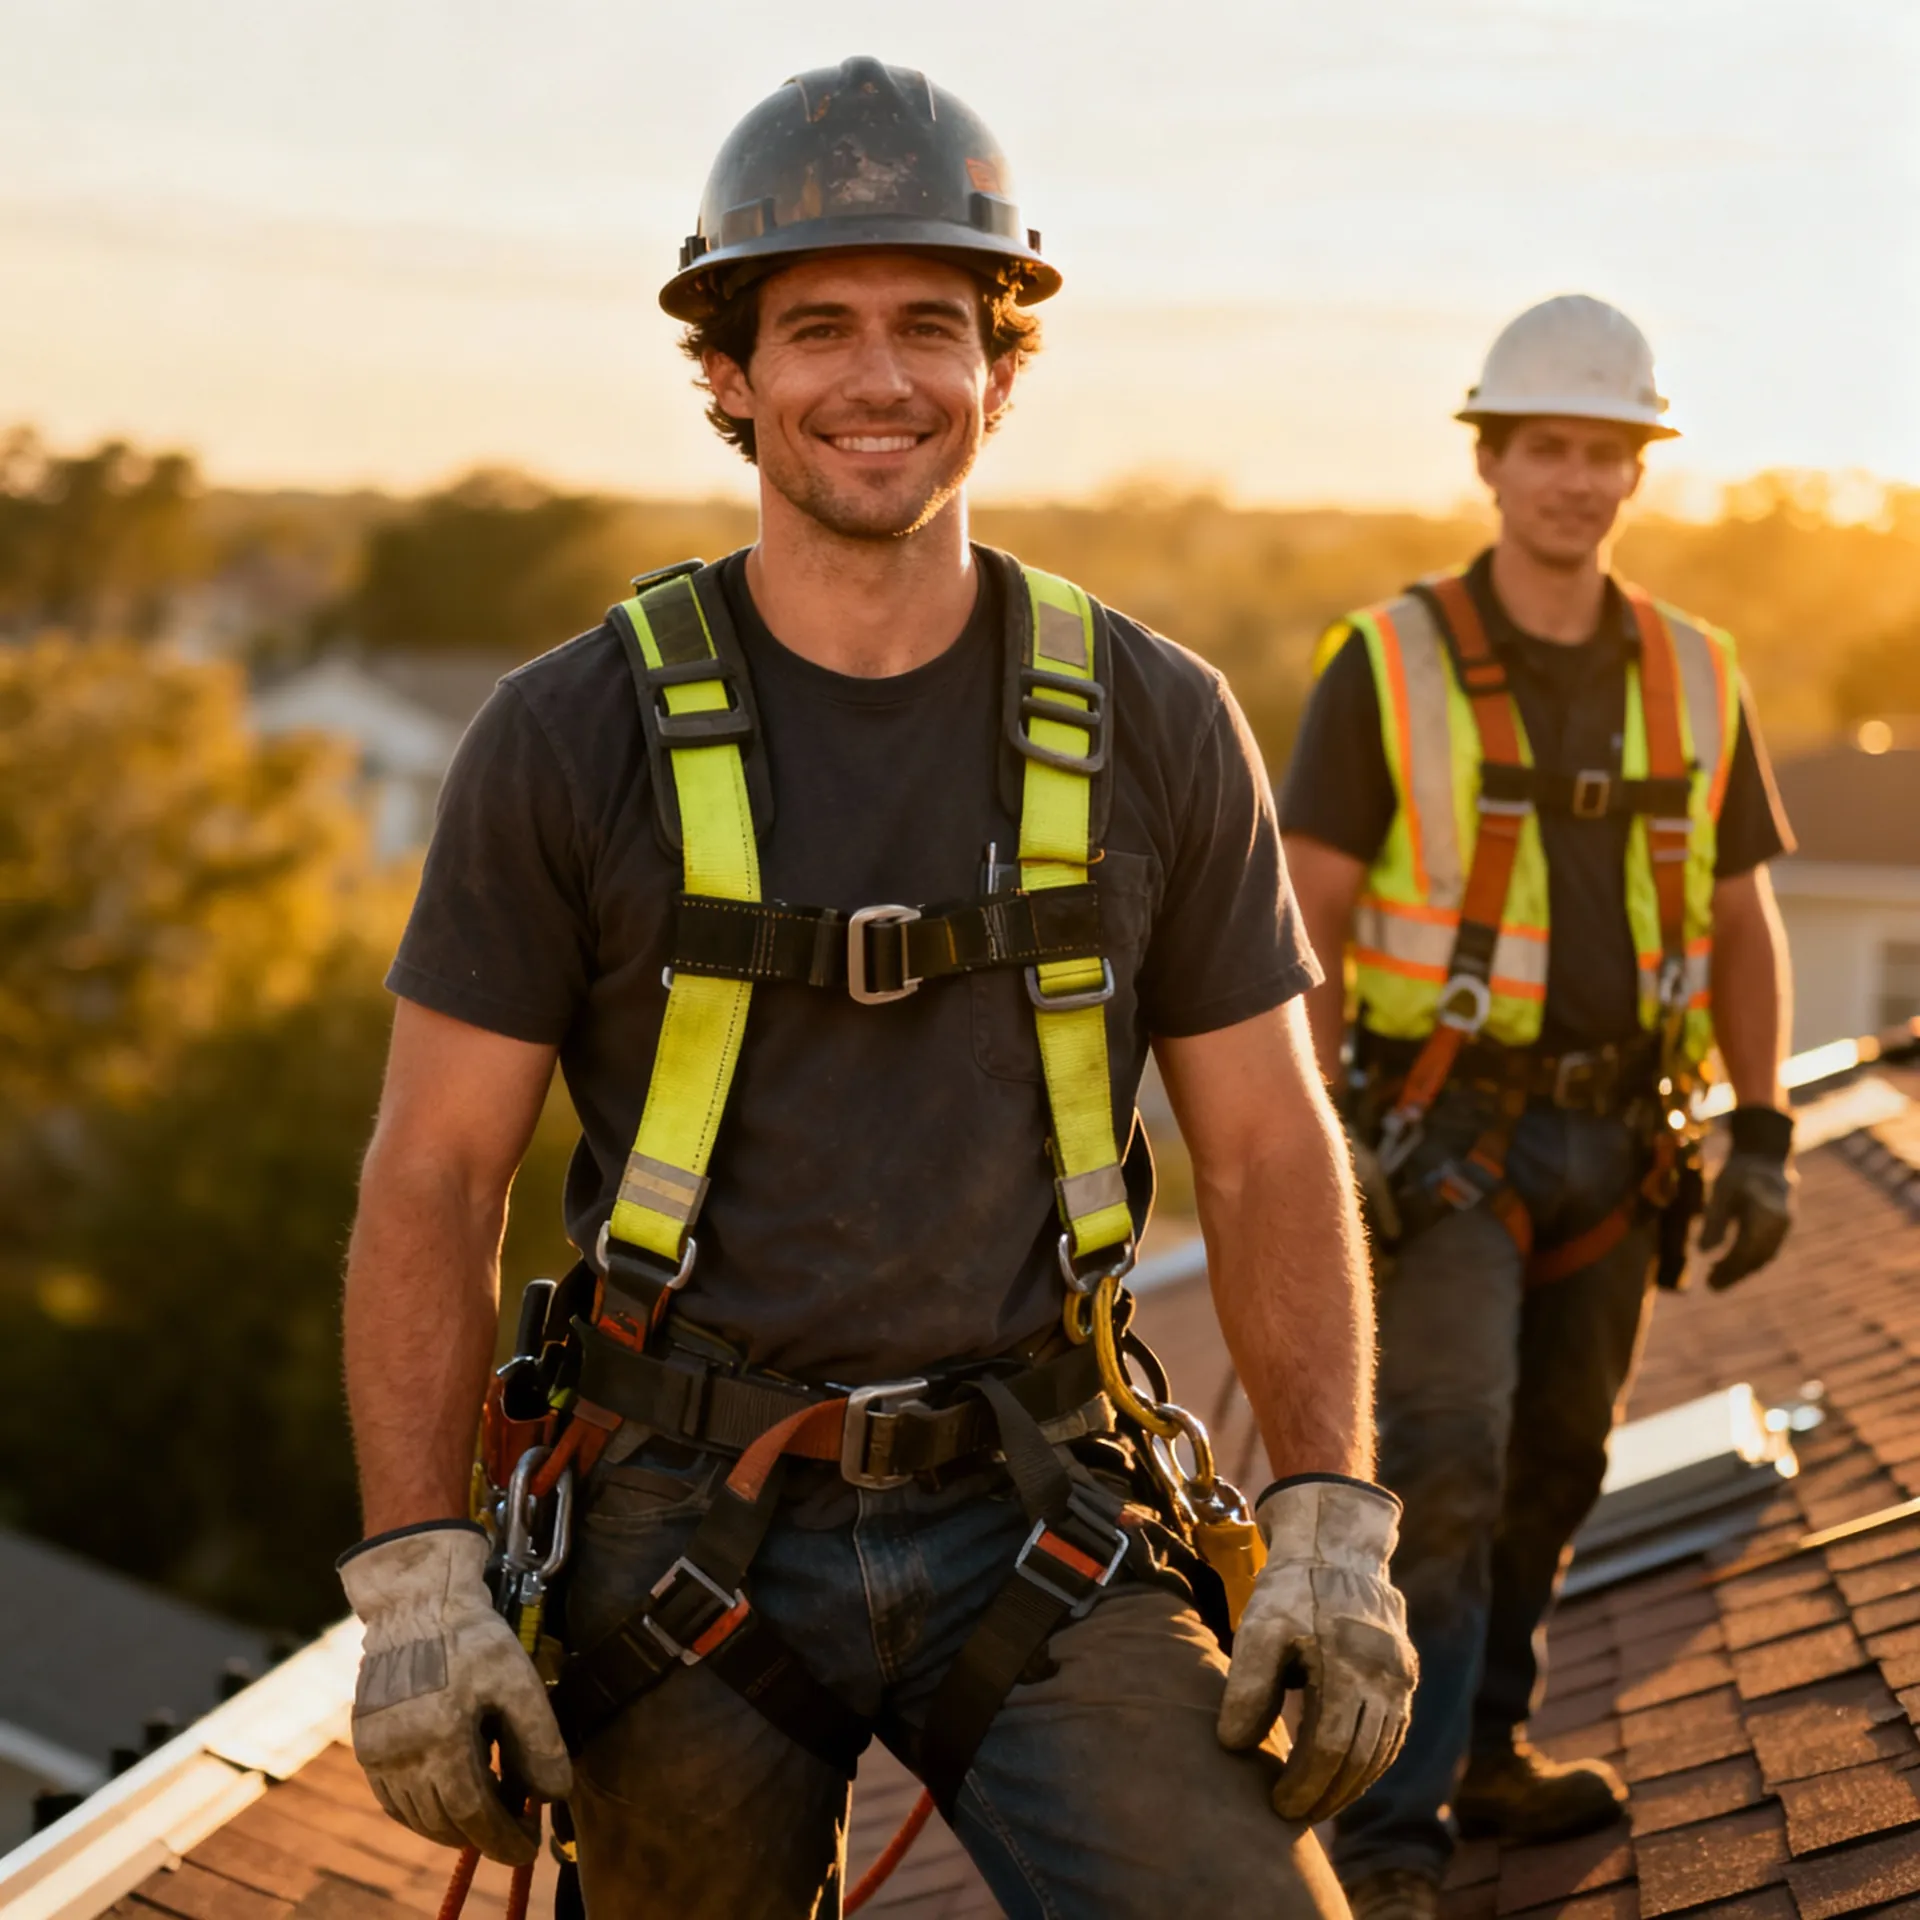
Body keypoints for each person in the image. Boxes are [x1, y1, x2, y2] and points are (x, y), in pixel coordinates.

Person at [335, 57, 1416, 1920]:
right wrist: (422, 1579)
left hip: (1044, 1494)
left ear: (1003, 370)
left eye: (935, 323)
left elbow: (1265, 1145)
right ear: (731, 375)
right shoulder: (568, 736)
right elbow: (432, 1176)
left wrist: (1328, 1516)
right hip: (682, 1514)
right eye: (816, 326)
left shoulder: (1152, 719)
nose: (881, 379)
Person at [1280, 295, 1797, 1920]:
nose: (1577, 480)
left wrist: (1765, 1123)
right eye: (1547, 449)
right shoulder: (1392, 660)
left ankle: (1488, 1747)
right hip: (1446, 1143)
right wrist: (1311, 1144)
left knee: (1559, 1464)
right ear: (1492, 460)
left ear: (1637, 469)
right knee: (1440, 1457)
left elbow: (1737, 914)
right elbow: (1306, 914)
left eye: (1606, 453)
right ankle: (1390, 1829)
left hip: (1622, 1141)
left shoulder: (1696, 672)